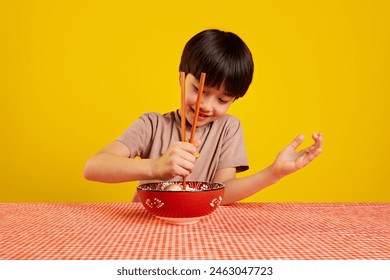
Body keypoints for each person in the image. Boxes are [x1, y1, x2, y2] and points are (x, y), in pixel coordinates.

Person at [84, 29, 323, 205]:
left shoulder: (229, 128)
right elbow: (93, 168)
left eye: (222, 100)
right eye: (200, 91)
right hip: (147, 228)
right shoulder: (152, 124)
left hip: (205, 232)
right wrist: (156, 167)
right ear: (181, 80)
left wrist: (274, 173)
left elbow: (224, 191)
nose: (206, 106)